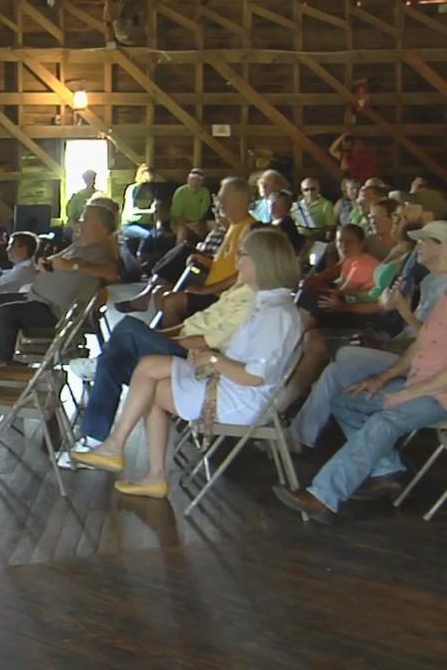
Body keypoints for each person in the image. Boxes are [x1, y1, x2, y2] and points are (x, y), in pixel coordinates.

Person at [72, 228, 303, 497]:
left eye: (242, 255)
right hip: (228, 378)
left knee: (148, 387)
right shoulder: (269, 303)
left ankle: (133, 459)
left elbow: (255, 376)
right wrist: (210, 356)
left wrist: (214, 357)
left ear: (262, 261)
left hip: (238, 398)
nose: (237, 261)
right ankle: (125, 454)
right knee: (147, 366)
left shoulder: (275, 314)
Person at [274, 222, 447, 523]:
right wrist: (382, 378)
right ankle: (386, 468)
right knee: (345, 400)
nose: (418, 247)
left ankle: (323, 496)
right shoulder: (442, 294)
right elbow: (420, 346)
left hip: (438, 394)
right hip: (423, 385)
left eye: (425, 242)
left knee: (385, 421)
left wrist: (406, 394)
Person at [290, 220, 447, 451]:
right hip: (401, 346)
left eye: (425, 241)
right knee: (338, 367)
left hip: (418, 361)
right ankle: (301, 435)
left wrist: (402, 308)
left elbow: (432, 341)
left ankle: (303, 435)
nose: (419, 245)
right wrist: (392, 304)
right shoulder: (430, 280)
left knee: (345, 358)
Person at [0, 204, 119, 375]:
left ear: (99, 226)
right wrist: (46, 262)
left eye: (84, 219)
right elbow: (57, 260)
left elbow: (111, 274)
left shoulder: (103, 249)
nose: (78, 223)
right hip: (39, 298)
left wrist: (72, 265)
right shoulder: (80, 245)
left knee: (6, 312)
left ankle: (3, 362)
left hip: (54, 310)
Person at [153, 177, 257, 328]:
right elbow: (227, 263)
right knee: (160, 292)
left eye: (222, 198)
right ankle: (172, 335)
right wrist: (204, 260)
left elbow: (242, 274)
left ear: (238, 200)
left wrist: (206, 290)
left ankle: (173, 347)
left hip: (223, 295)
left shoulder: (249, 229)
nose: (219, 203)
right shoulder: (233, 226)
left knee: (171, 301)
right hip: (210, 286)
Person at [170, 168, 212, 245]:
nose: (195, 183)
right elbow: (176, 216)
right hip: (182, 223)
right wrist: (189, 225)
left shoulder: (205, 192)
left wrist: (197, 224)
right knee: (183, 231)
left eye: (198, 180)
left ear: (202, 182)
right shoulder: (180, 192)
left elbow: (204, 213)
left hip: (198, 222)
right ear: (188, 180)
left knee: (213, 225)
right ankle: (177, 253)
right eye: (192, 180)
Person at [64, 169, 98, 240]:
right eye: (88, 179)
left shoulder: (99, 195)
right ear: (85, 180)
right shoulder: (78, 196)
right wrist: (77, 229)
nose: (90, 181)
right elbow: (71, 216)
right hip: (78, 225)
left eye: (92, 178)